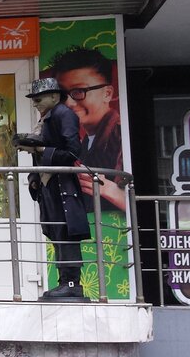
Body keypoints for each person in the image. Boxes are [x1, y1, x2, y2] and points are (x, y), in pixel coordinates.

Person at [16, 78, 90, 301]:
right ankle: (65, 282)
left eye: (38, 99)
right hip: (50, 183)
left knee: (65, 232)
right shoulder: (49, 117)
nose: (35, 103)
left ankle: (71, 283)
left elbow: (72, 152)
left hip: (61, 184)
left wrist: (39, 148)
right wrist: (35, 176)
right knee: (57, 231)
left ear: (54, 96)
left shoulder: (63, 114)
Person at [51, 46, 125, 211]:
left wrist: (108, 189)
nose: (69, 103)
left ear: (107, 93)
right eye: (62, 94)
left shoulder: (121, 136)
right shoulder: (85, 141)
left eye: (79, 91)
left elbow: (138, 200)